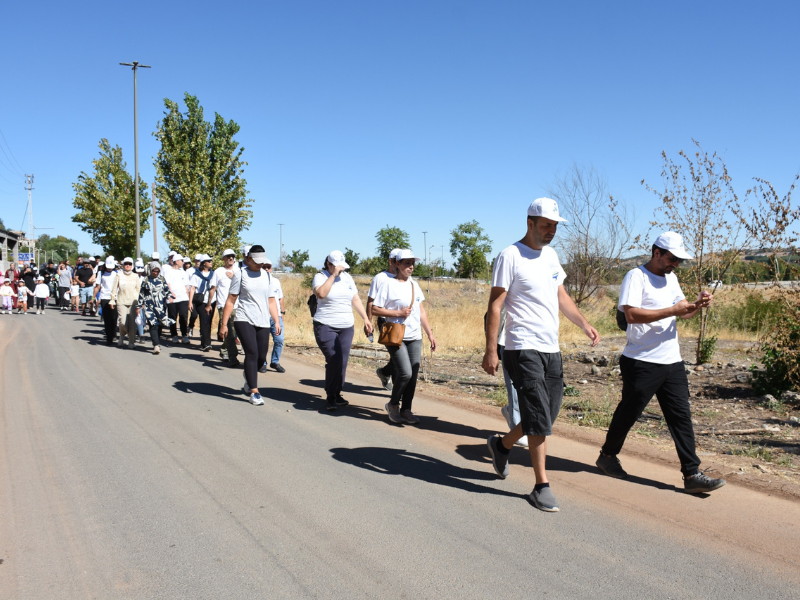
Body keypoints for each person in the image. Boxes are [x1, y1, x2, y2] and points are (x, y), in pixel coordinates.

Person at [483, 198, 600, 512]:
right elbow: (495, 305)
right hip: (521, 347)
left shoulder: (551, 256)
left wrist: (584, 323)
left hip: (551, 348)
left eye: (555, 226)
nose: (552, 231)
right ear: (530, 223)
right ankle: (541, 486)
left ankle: (501, 445)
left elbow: (561, 295)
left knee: (545, 415)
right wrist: (491, 349)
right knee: (537, 416)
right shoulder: (510, 255)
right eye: (547, 225)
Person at [596, 232, 726, 494]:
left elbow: (684, 311)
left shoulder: (671, 278)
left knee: (681, 417)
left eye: (679, 260)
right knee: (628, 413)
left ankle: (692, 474)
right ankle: (607, 456)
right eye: (672, 258)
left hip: (672, 361)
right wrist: (672, 311)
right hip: (641, 361)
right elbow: (631, 315)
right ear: (657, 253)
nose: (675, 264)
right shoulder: (636, 276)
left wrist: (698, 304)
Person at [372, 249, 436, 424]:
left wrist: (430, 334)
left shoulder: (414, 285)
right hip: (395, 334)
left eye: (412, 263)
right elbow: (375, 309)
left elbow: (421, 311)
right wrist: (397, 313)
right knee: (405, 373)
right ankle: (393, 404)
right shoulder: (388, 284)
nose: (411, 267)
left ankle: (406, 409)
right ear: (397, 264)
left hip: (415, 335)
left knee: (413, 376)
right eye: (407, 263)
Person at [312, 250, 373, 411]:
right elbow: (321, 294)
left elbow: (355, 299)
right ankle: (331, 396)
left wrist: (366, 318)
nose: (341, 270)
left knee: (343, 361)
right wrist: (333, 276)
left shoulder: (347, 278)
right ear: (328, 264)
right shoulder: (320, 277)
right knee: (334, 358)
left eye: (342, 267)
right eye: (337, 266)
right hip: (325, 324)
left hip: (346, 326)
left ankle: (337, 392)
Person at [220, 245, 280, 406]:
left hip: (263, 320)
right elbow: (231, 300)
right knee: (252, 353)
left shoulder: (267, 276)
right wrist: (224, 324)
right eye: (256, 261)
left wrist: (276, 320)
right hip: (244, 318)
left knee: (261, 357)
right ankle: (254, 392)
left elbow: (271, 301)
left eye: (262, 261)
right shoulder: (240, 274)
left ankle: (248, 376)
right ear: (248, 258)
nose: (260, 264)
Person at [366, 248, 399, 390]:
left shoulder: (405, 277)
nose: (400, 264)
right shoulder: (380, 278)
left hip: (404, 322)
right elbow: (370, 301)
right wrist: (368, 322)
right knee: (398, 356)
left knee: (401, 357)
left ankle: (385, 373)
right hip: (386, 322)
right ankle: (398, 393)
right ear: (390, 261)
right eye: (397, 261)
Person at [138, 262, 174, 354]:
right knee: (153, 325)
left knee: (160, 325)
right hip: (149, 306)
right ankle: (156, 345)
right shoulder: (146, 280)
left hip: (160, 306)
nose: (156, 273)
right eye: (154, 271)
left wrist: (170, 297)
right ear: (151, 270)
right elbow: (141, 293)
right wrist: (139, 306)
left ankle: (157, 340)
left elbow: (166, 289)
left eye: (158, 271)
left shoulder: (162, 279)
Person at [214, 248, 240, 365]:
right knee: (228, 330)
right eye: (228, 256)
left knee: (234, 331)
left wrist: (234, 276)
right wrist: (209, 304)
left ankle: (224, 349)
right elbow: (213, 287)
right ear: (223, 258)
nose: (231, 258)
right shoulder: (218, 271)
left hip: (238, 305)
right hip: (223, 305)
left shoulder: (238, 271)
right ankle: (233, 356)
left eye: (233, 256)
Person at [110, 257, 142, 349]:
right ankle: (122, 335)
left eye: (130, 264)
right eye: (126, 264)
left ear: (132, 265)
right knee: (122, 322)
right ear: (123, 265)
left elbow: (138, 289)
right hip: (121, 301)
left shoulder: (135, 276)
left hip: (133, 302)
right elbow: (114, 289)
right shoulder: (119, 275)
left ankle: (131, 342)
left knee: (132, 324)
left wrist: (139, 302)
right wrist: (112, 300)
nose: (128, 265)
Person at [260, 259, 285, 373]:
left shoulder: (276, 281)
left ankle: (275, 361)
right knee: (263, 341)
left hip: (276, 315)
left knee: (279, 339)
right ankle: (262, 363)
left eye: (268, 267)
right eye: (264, 267)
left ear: (271, 268)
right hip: (262, 315)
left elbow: (280, 298)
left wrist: (282, 313)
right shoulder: (258, 281)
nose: (266, 269)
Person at [188, 254, 217, 352]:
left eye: (211, 261)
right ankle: (206, 343)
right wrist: (190, 302)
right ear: (204, 263)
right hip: (201, 301)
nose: (211, 262)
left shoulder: (213, 274)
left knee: (208, 321)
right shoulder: (196, 275)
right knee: (204, 321)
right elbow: (192, 288)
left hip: (211, 301)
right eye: (209, 261)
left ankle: (204, 341)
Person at [164, 255, 191, 344]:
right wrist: (170, 293)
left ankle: (184, 335)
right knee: (172, 317)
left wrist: (188, 298)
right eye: (181, 260)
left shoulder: (183, 272)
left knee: (183, 316)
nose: (183, 262)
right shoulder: (169, 272)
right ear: (176, 261)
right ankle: (174, 335)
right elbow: (167, 284)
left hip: (183, 298)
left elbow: (186, 286)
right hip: (172, 298)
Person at [94, 257, 119, 345]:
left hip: (114, 297)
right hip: (104, 297)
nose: (109, 268)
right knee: (107, 318)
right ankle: (109, 337)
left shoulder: (117, 273)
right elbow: (97, 286)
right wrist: (93, 298)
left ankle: (113, 333)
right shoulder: (101, 273)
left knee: (114, 318)